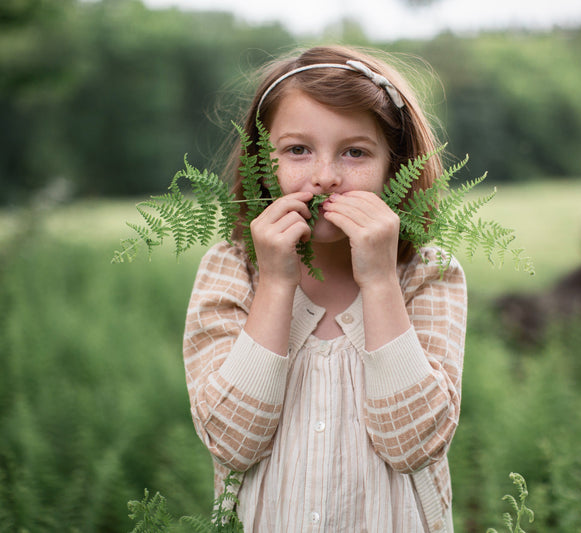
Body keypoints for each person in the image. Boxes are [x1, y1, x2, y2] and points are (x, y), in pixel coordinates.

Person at [183, 44, 467, 532]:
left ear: (394, 167)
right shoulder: (231, 270)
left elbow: (414, 444)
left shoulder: (427, 274)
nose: (325, 177)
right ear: (262, 164)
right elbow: (233, 443)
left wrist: (378, 280)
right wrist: (275, 282)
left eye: (355, 152)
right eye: (298, 150)